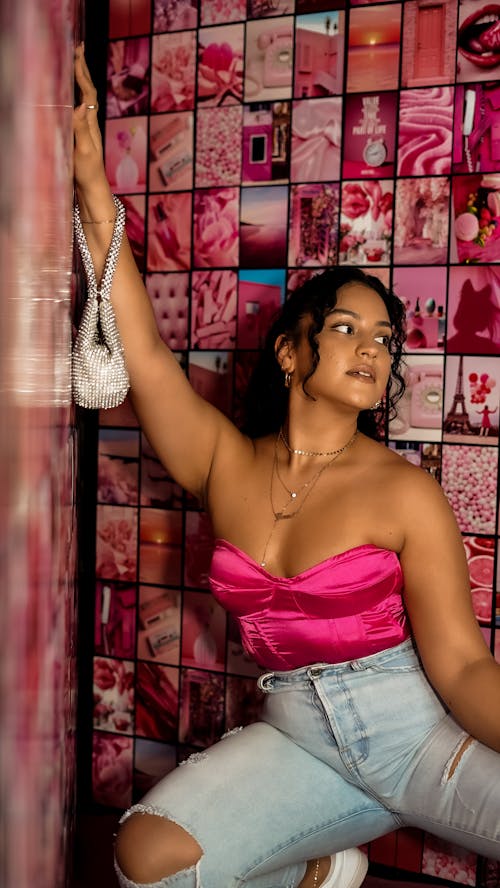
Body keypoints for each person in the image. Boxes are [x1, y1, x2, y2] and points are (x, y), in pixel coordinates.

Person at [73, 45, 500, 888]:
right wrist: (92, 193)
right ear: (289, 352)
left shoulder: (404, 492)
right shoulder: (223, 460)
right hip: (298, 733)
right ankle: (319, 874)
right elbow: (149, 359)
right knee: (146, 864)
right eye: (346, 329)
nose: (372, 350)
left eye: (385, 340)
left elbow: (460, 665)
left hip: (417, 738)